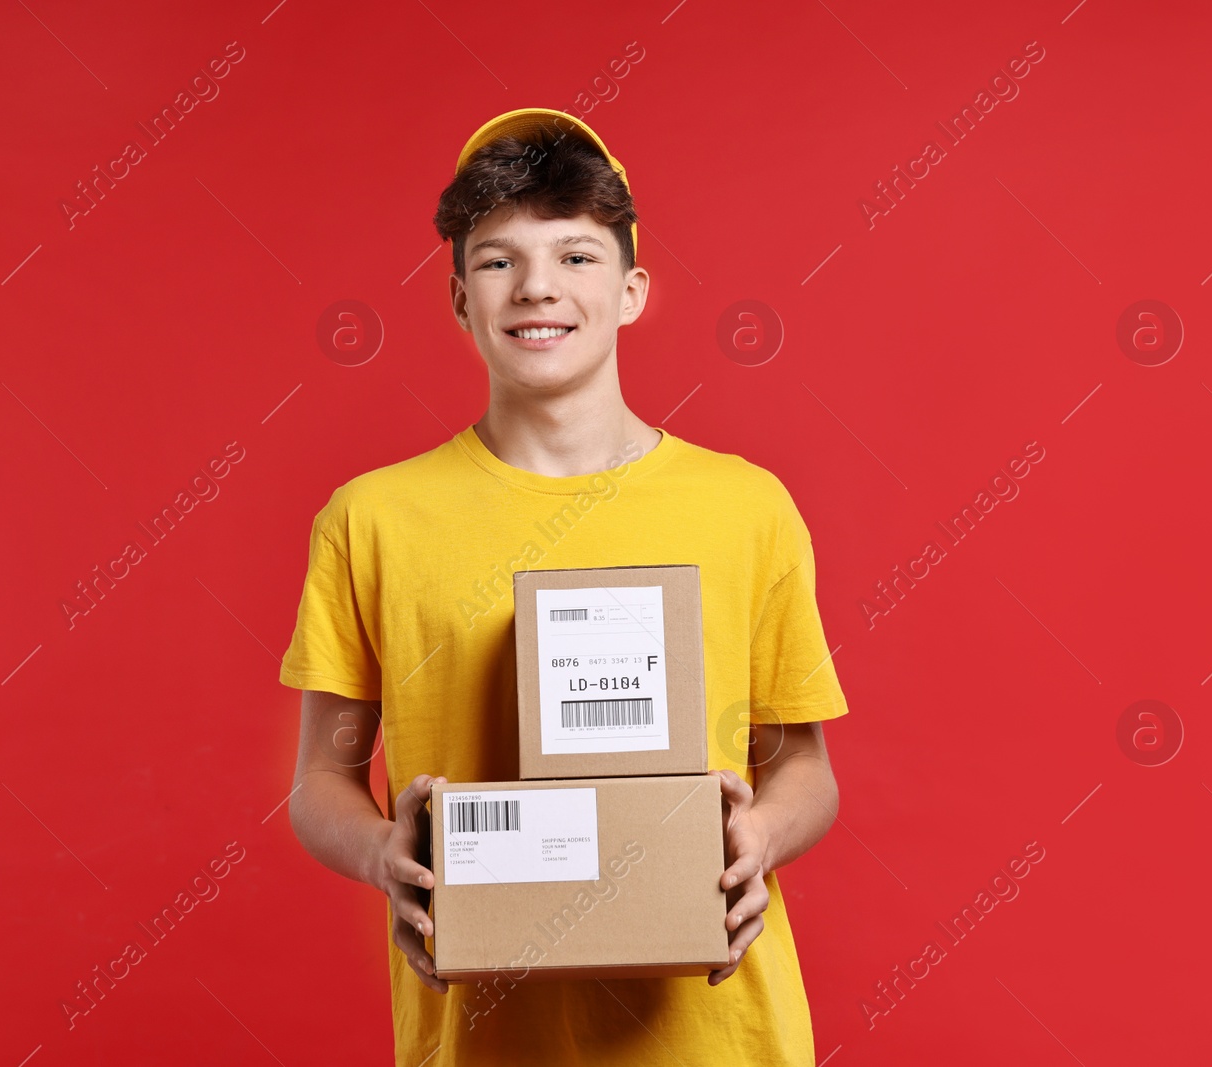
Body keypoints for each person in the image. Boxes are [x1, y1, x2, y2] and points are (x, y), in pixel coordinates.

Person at [281, 106, 850, 1066]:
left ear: (631, 291)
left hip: (718, 1038)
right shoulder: (371, 519)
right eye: (499, 260)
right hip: (483, 1034)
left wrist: (762, 833)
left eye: (577, 256)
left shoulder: (747, 507)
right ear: (460, 297)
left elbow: (804, 766)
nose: (538, 287)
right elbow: (320, 781)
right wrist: (386, 855)